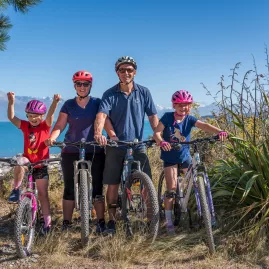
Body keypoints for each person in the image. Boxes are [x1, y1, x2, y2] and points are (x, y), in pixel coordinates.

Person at [94, 56, 159, 235]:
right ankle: (112, 221)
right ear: (117, 73)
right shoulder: (109, 93)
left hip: (138, 144)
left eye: (129, 70)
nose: (126, 73)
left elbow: (153, 116)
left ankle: (150, 221)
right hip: (116, 145)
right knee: (113, 184)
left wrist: (157, 134)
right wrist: (101, 133)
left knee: (147, 183)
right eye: (122, 70)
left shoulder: (143, 92)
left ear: (135, 72)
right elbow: (102, 115)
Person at [45, 70, 114, 234]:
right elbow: (60, 125)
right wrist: (53, 138)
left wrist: (112, 136)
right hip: (71, 149)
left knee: (97, 187)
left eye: (85, 84)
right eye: (79, 84)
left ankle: (100, 222)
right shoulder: (68, 104)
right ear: (74, 85)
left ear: (90, 85)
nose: (82, 87)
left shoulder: (98, 102)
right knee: (69, 187)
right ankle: (66, 223)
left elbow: (104, 121)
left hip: (94, 149)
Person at [153, 89, 228, 234]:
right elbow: (157, 132)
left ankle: (197, 212)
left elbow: (204, 126)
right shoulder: (168, 117)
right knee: (172, 189)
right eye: (180, 105)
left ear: (191, 106)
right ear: (174, 105)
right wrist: (161, 142)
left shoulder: (190, 119)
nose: (184, 107)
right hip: (170, 158)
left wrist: (220, 131)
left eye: (187, 105)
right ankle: (169, 221)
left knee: (193, 184)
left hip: (185, 156)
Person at [7, 92, 61, 233]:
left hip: (42, 164)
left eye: (36, 116)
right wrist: (11, 102)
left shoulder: (45, 126)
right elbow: (12, 118)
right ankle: (16, 189)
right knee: (19, 162)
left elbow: (50, 116)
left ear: (41, 116)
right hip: (28, 162)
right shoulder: (25, 126)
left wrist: (54, 103)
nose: (33, 119)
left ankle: (47, 224)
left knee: (43, 195)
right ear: (27, 117)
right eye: (30, 116)